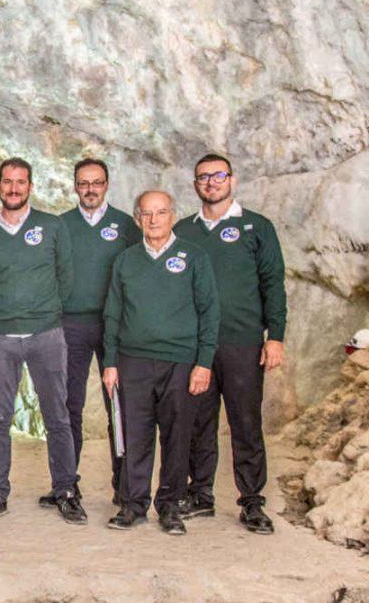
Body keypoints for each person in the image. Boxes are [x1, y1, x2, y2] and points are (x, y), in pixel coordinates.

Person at [176, 154, 287, 534]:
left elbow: (273, 284)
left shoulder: (257, 227)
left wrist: (276, 336)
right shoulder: (183, 232)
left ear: (232, 180)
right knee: (198, 423)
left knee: (245, 422)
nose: (211, 182)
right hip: (196, 347)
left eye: (218, 175)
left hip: (242, 342)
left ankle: (252, 501)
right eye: (203, 177)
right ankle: (200, 494)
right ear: (195, 184)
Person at [0, 158, 82, 524]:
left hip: (46, 334)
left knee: (58, 417)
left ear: (30, 186)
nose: (13, 188)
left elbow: (65, 278)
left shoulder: (52, 226)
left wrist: (41, 313)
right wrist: (6, 315)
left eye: (20, 182)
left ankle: (66, 490)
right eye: (7, 182)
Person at [102, 190, 219, 535]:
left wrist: (204, 362)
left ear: (172, 216)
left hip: (181, 362)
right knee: (135, 436)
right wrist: (110, 362)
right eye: (147, 214)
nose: (154, 220)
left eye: (161, 212)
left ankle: (170, 507)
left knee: (177, 437)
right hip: (132, 361)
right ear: (137, 219)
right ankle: (133, 505)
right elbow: (112, 314)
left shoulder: (194, 257)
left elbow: (210, 312)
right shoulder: (125, 260)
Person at [48, 159, 141, 508]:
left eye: (97, 182)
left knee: (119, 404)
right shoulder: (60, 225)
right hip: (70, 324)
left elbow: (138, 272)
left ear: (106, 184)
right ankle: (67, 483)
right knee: (68, 404)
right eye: (83, 183)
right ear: (74, 185)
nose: (90, 189)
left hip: (114, 325)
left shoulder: (125, 225)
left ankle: (125, 483)